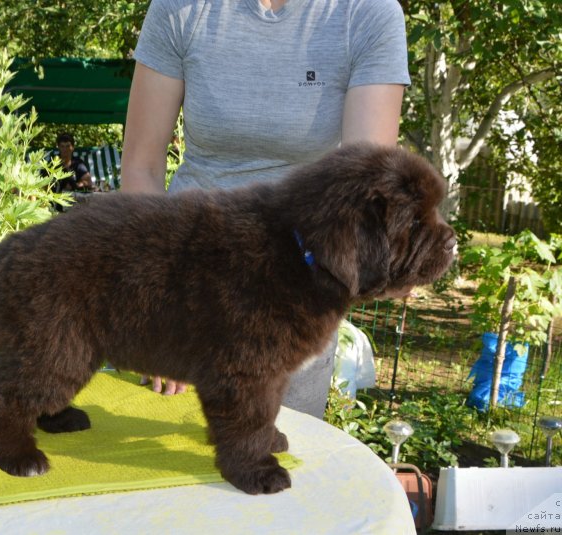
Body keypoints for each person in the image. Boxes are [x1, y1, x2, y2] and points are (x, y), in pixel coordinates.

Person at [121, 0, 410, 416]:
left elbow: (364, 187)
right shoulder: (181, 9)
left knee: (275, 451)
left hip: (297, 301)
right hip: (187, 286)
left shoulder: (365, 14)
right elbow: (141, 167)